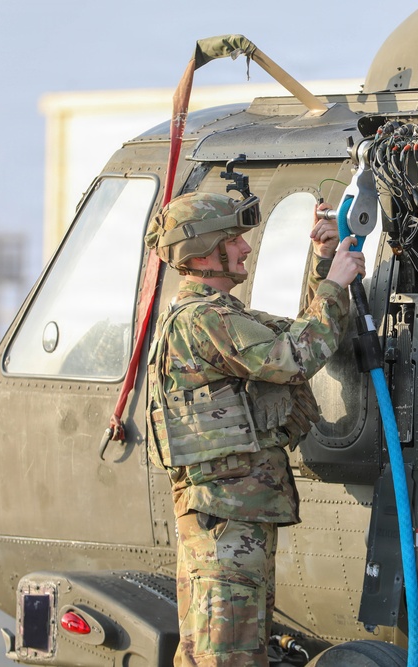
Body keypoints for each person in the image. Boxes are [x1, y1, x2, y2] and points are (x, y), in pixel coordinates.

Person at [144, 190, 365, 666]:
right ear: (204, 253)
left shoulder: (217, 315)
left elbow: (301, 333)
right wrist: (335, 283)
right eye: (235, 240)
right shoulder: (205, 319)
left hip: (232, 517)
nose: (246, 249)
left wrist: (326, 264)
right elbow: (294, 358)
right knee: (226, 659)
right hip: (227, 523)